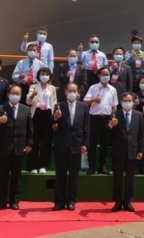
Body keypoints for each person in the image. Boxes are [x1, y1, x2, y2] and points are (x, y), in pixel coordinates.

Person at [0, 84, 33, 210]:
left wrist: (29, 144)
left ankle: (14, 201)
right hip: (4, 148)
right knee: (3, 176)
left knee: (16, 176)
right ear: (8, 94)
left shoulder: (26, 109)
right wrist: (0, 120)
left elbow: (30, 128)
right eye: (13, 93)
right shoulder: (1, 108)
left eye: (18, 94)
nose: (16, 96)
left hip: (19, 148)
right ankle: (1, 201)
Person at [52, 83, 89, 211]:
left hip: (76, 145)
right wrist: (55, 118)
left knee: (74, 176)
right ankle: (59, 201)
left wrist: (85, 144)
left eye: (74, 91)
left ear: (78, 93)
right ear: (65, 92)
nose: (72, 93)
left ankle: (71, 200)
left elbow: (86, 127)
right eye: (70, 90)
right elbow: (53, 124)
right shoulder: (59, 105)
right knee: (60, 175)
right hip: (61, 145)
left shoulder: (83, 106)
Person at [108, 92, 144, 212]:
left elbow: (141, 135)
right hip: (119, 151)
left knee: (130, 178)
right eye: (125, 100)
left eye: (130, 100)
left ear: (133, 102)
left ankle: (128, 201)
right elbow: (109, 135)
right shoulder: (115, 114)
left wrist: (141, 150)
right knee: (117, 178)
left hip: (132, 151)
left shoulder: (138, 115)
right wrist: (111, 126)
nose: (127, 102)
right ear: (121, 102)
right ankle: (118, 202)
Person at [83, 66, 118, 175]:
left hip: (106, 119)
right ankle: (91, 166)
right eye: (103, 74)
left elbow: (114, 106)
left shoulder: (113, 89)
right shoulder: (93, 87)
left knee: (105, 144)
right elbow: (85, 102)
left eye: (107, 74)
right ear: (99, 76)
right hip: (93, 118)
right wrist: (94, 99)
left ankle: (102, 166)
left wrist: (113, 117)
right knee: (92, 144)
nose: (105, 76)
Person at [25, 67, 57, 174]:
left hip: (48, 115)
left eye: (46, 74)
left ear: (49, 76)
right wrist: (32, 95)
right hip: (36, 114)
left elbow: (54, 102)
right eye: (42, 74)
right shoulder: (33, 87)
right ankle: (33, 166)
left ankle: (43, 165)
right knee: (34, 140)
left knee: (46, 141)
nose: (44, 76)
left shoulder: (52, 88)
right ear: (39, 75)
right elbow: (28, 102)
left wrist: (54, 118)